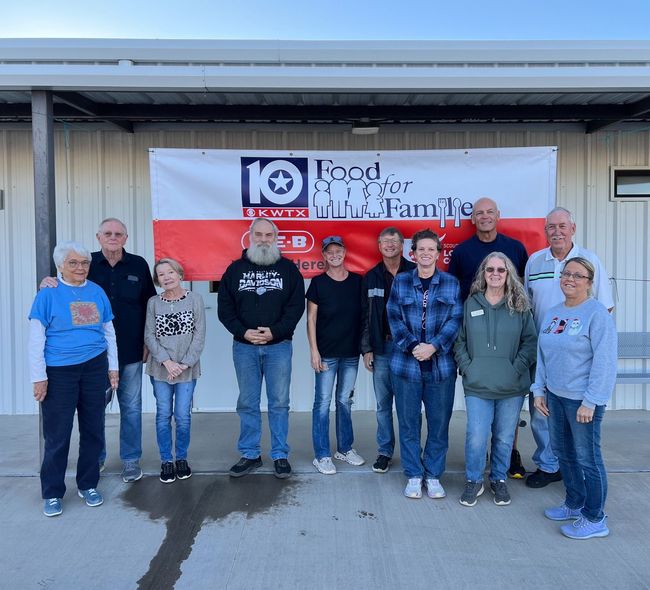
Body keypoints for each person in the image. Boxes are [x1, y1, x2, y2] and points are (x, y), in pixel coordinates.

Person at [40, 218, 156, 483]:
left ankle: (130, 460)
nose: (113, 237)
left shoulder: (138, 264)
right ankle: (97, 459)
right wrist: (47, 280)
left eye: (118, 234)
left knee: (131, 407)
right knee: (94, 410)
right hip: (93, 357)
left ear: (125, 238)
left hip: (131, 351)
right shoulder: (85, 263)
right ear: (99, 237)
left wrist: (148, 342)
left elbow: (150, 305)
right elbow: (62, 282)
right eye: (108, 233)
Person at [524, 207, 615, 488]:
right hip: (545, 351)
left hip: (578, 358)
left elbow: (605, 309)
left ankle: (577, 474)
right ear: (545, 230)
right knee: (542, 414)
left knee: (579, 425)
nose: (557, 232)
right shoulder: (534, 262)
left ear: (572, 228)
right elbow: (526, 305)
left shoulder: (590, 261)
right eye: (551, 227)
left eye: (562, 226)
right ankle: (550, 465)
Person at [29, 241, 119, 517]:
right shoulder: (47, 294)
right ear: (60, 266)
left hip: (94, 368)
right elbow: (36, 339)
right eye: (73, 263)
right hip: (59, 372)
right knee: (58, 434)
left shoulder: (96, 291)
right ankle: (53, 492)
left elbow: (108, 332)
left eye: (84, 263)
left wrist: (112, 368)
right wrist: (38, 377)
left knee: (94, 429)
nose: (80, 268)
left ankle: (88, 484)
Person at [531, 257, 617, 539]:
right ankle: (574, 503)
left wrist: (591, 401)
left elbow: (605, 361)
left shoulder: (597, 314)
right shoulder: (554, 313)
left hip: (582, 401)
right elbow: (543, 356)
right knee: (564, 454)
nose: (570, 279)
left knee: (588, 459)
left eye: (578, 275)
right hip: (555, 396)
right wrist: (539, 390)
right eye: (566, 274)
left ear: (589, 283)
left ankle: (595, 518)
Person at [218, 218, 305, 479]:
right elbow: (225, 309)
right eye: (259, 234)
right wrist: (243, 331)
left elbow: (295, 307)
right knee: (247, 402)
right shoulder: (234, 270)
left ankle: (280, 454)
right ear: (251, 236)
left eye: (269, 235)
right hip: (244, 347)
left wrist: (274, 331)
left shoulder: (289, 269)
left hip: (279, 346)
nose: (264, 239)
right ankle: (250, 454)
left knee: (279, 402)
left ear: (276, 238)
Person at [454, 253, 537, 507]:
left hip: (511, 386)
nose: (495, 274)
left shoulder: (520, 305)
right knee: (477, 435)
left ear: (508, 273)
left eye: (501, 269)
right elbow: (460, 342)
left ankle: (499, 480)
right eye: (490, 269)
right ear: (483, 273)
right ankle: (474, 480)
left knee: (503, 437)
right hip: (478, 384)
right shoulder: (471, 304)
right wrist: (469, 368)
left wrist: (516, 369)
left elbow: (530, 342)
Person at [386, 229, 462, 499]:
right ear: (413, 254)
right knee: (408, 424)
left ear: (439, 254)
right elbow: (393, 318)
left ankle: (433, 474)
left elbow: (456, 320)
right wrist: (413, 346)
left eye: (432, 249)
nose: (426, 254)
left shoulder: (451, 283)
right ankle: (414, 475)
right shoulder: (402, 281)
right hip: (406, 366)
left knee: (439, 424)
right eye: (421, 250)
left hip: (441, 367)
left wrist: (433, 346)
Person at [144, 258, 206, 483]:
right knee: (163, 415)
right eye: (161, 274)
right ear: (157, 279)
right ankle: (166, 461)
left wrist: (184, 364)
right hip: (161, 369)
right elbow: (149, 335)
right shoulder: (153, 303)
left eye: (171, 272)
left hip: (186, 370)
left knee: (182, 416)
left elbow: (199, 335)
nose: (167, 277)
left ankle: (181, 458)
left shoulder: (195, 299)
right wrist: (167, 362)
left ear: (179, 274)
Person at [307, 236, 364, 475]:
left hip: (351, 353)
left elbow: (363, 316)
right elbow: (310, 319)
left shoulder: (357, 282)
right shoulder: (318, 283)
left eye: (337, 251)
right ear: (324, 255)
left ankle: (345, 448)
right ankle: (321, 455)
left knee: (344, 401)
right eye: (329, 251)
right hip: (326, 354)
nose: (334, 255)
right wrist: (314, 351)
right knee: (322, 404)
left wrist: (365, 349)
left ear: (344, 253)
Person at [360, 227, 415, 473]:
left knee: (409, 404)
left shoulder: (414, 273)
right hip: (381, 348)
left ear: (403, 245)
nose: (390, 245)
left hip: (407, 349)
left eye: (394, 241)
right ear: (379, 245)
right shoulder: (370, 277)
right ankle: (384, 452)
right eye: (385, 241)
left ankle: (412, 453)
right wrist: (366, 349)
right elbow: (364, 316)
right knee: (383, 405)